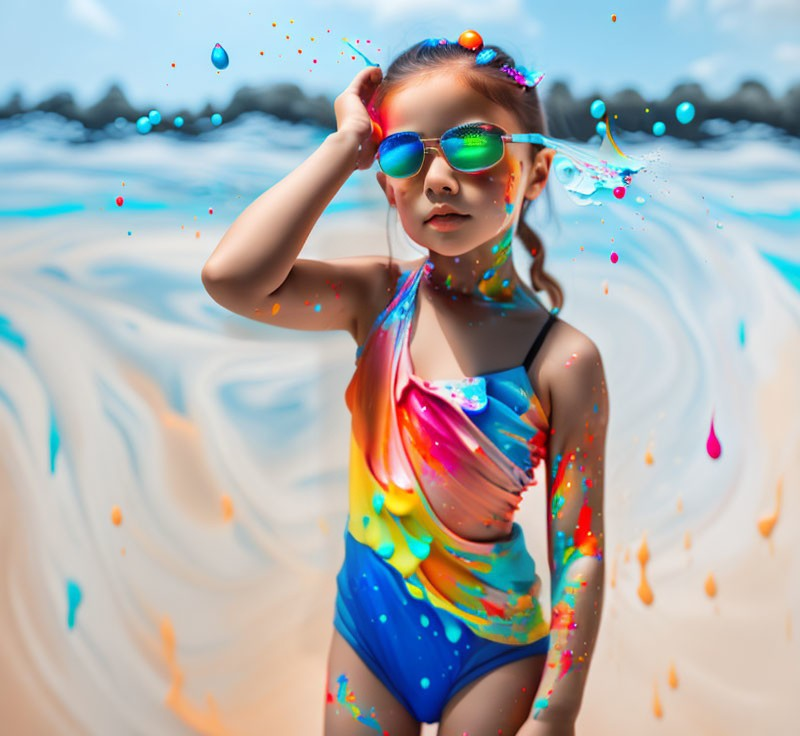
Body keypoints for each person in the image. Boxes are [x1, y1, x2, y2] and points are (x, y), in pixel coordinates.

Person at [201, 31, 608, 736]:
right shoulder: (376, 300)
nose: (439, 179)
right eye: (406, 155)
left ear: (536, 171)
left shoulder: (561, 360)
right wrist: (343, 149)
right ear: (387, 185)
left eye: (473, 145)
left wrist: (555, 714)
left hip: (496, 651)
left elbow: (582, 552)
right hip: (368, 639)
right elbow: (232, 278)